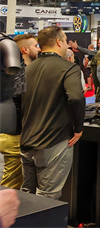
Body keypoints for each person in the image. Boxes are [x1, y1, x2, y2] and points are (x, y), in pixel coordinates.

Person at [20, 26, 85, 199]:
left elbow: (17, 101)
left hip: (27, 140)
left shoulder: (28, 69)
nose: (67, 45)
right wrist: (78, 128)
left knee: (27, 194)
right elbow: (76, 98)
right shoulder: (68, 68)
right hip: (53, 140)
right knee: (47, 198)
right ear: (58, 42)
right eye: (65, 41)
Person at [0, 34, 39, 190]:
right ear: (25, 50)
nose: (39, 49)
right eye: (35, 46)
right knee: (12, 181)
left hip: (13, 130)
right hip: (13, 132)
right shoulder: (20, 76)